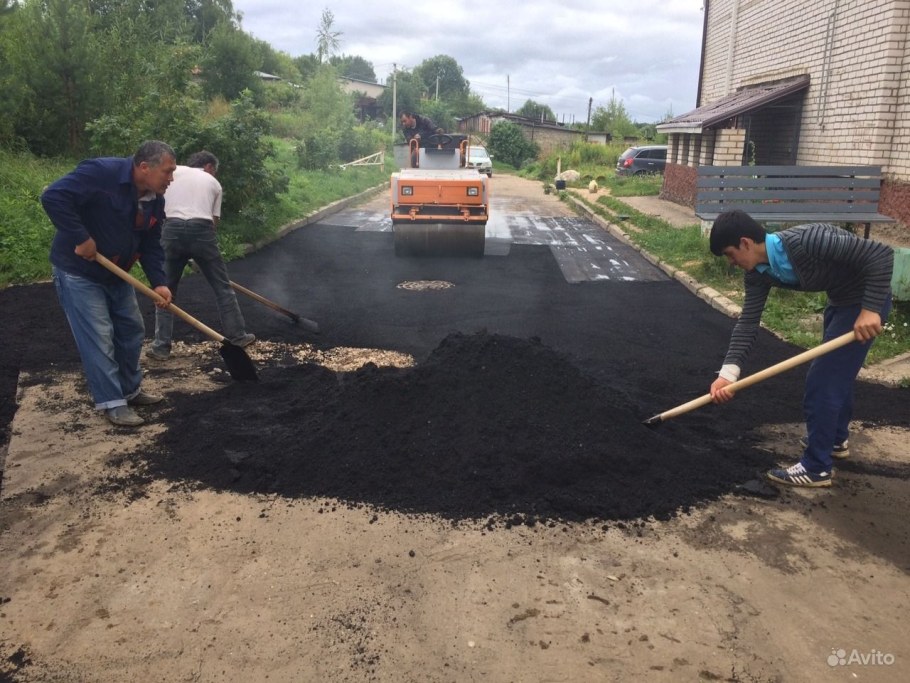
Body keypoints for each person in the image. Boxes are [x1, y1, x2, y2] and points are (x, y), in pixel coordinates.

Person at [708, 210, 894, 488]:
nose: (732, 263)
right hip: (841, 301)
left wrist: (870, 310)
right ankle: (834, 439)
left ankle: (816, 467)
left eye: (730, 254)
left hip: (865, 303)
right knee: (836, 376)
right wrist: (728, 374)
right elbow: (748, 322)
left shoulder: (810, 241)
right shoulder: (758, 274)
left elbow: (881, 254)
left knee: (822, 381)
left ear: (745, 243)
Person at [41, 140, 177, 428]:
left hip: (116, 272)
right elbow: (53, 197)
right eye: (167, 171)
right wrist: (81, 237)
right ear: (144, 167)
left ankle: (130, 390)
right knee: (99, 335)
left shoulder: (155, 200)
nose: (171, 178)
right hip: (79, 272)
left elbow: (151, 244)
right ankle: (112, 403)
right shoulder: (100, 173)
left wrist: (160, 283)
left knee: (131, 329)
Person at [147, 151, 254, 361]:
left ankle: (161, 347)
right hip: (201, 230)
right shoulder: (212, 182)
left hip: (170, 228)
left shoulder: (172, 172)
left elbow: (158, 205)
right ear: (209, 167)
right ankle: (238, 336)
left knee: (165, 291)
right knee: (223, 287)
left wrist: (180, 247)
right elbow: (213, 223)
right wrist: (200, 253)